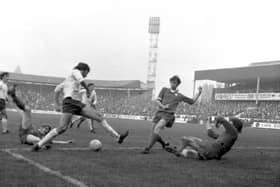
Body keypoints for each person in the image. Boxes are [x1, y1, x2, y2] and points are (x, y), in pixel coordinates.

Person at [33, 62, 129, 151]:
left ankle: (118, 137)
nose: (87, 75)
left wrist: (57, 104)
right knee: (62, 128)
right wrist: (87, 90)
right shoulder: (75, 72)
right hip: (69, 103)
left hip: (78, 104)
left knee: (99, 117)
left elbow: (57, 90)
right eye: (87, 72)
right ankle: (39, 145)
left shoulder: (68, 81)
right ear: (83, 70)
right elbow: (80, 80)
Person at [142, 75, 202, 154]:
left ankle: (147, 148)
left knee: (157, 128)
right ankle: (164, 144)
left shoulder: (180, 96)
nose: (173, 84)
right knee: (154, 132)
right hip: (159, 113)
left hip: (168, 115)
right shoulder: (164, 90)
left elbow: (192, 101)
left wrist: (199, 93)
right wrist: (163, 106)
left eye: (175, 83)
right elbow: (157, 101)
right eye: (172, 82)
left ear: (177, 84)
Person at [8, 85, 73, 146]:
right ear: (41, 128)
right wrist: (17, 107)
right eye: (45, 128)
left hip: (25, 136)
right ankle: (13, 96)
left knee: (38, 140)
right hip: (26, 129)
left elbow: (54, 141)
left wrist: (66, 142)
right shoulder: (34, 128)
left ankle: (40, 145)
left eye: (47, 130)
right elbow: (23, 114)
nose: (46, 130)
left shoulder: (44, 137)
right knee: (27, 110)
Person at [166, 116, 243, 160]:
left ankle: (177, 152)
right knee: (189, 142)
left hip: (211, 150)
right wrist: (207, 122)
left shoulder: (233, 132)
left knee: (185, 139)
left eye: (231, 122)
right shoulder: (228, 134)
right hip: (212, 151)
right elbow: (211, 134)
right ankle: (183, 151)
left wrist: (217, 123)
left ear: (234, 125)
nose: (229, 123)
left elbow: (221, 118)